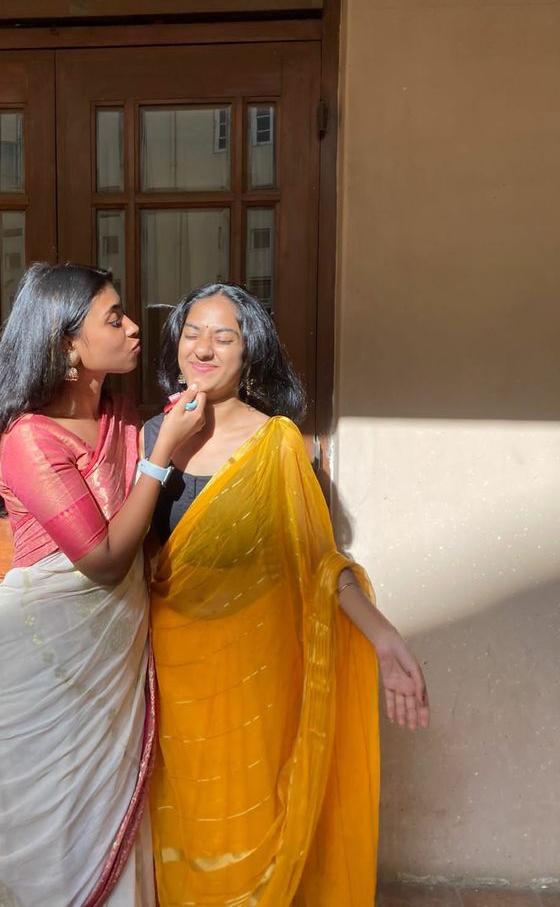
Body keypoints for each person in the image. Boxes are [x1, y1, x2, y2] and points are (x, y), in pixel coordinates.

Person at [142, 283, 430, 907]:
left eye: (225, 336)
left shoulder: (276, 443)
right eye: (193, 331)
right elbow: (124, 551)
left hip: (253, 668)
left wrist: (381, 635)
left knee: (249, 812)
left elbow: (318, 561)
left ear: (250, 353)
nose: (205, 348)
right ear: (176, 341)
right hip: (168, 663)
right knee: (179, 815)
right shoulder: (150, 436)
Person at [0, 262, 204, 906]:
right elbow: (103, 560)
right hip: (45, 653)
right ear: (68, 345)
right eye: (112, 318)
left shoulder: (122, 419)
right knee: (51, 816)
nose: (131, 328)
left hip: (111, 651)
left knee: (109, 803)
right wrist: (162, 452)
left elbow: (146, 526)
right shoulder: (28, 439)